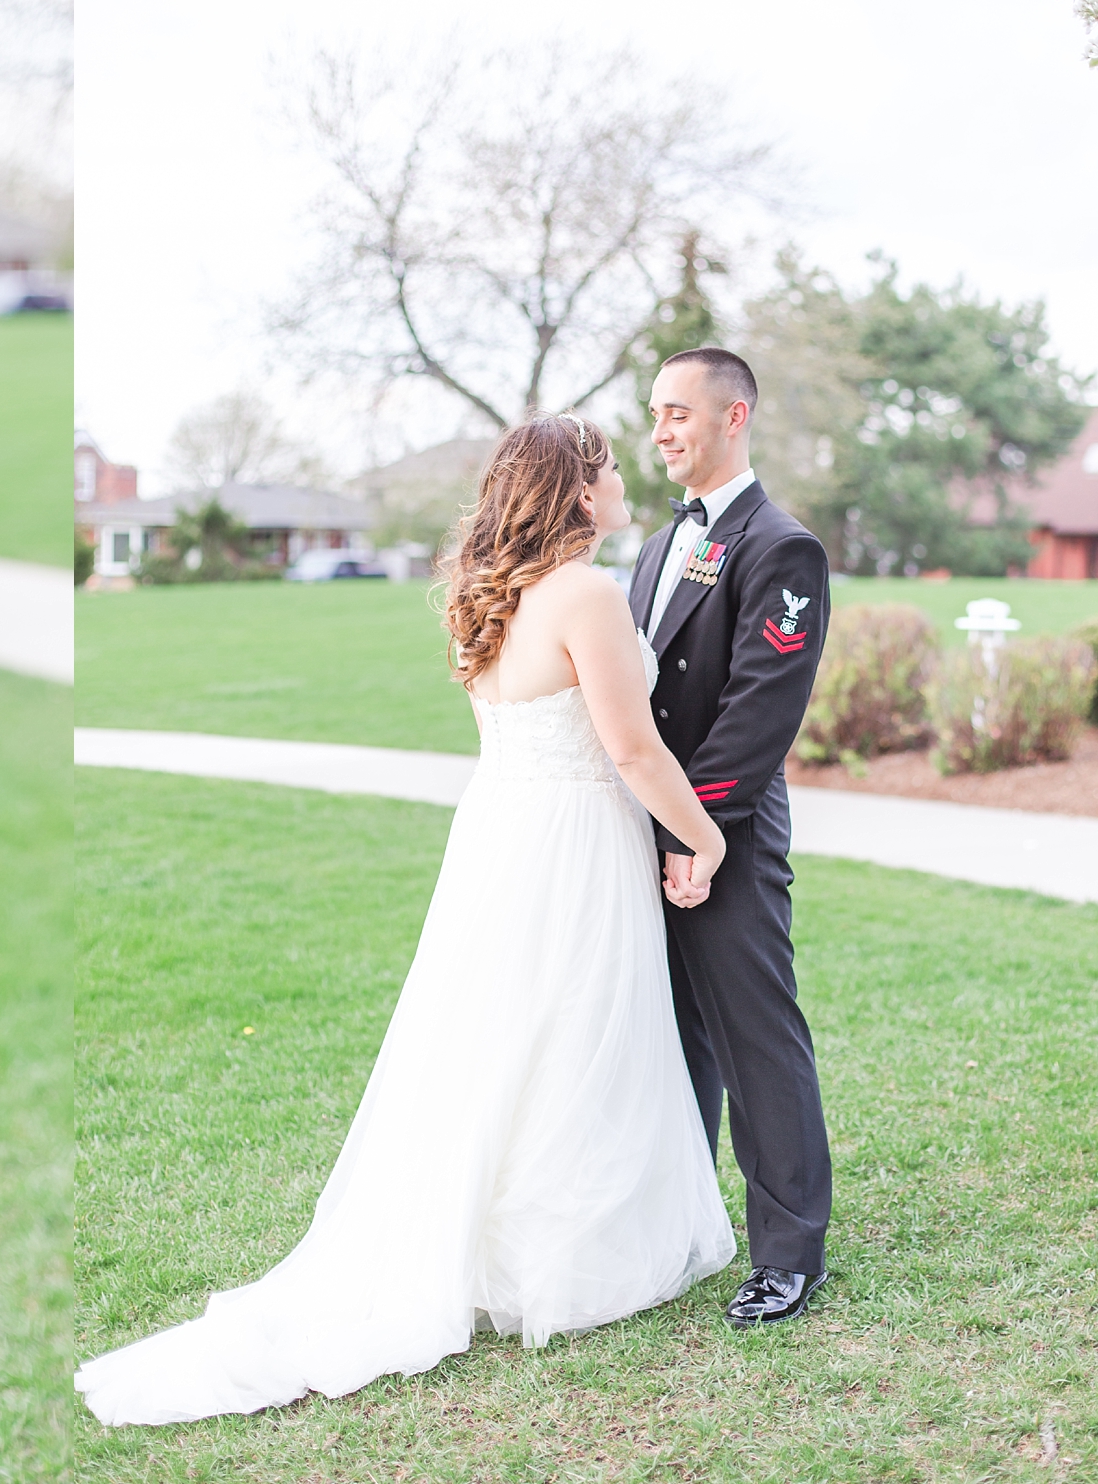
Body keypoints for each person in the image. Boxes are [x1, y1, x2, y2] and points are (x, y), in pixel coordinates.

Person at [76, 413, 736, 1426]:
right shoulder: (588, 593)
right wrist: (704, 838)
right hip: (570, 836)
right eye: (603, 467)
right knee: (573, 1032)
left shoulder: (496, 594)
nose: (619, 479)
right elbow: (632, 750)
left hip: (499, 832)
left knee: (498, 1038)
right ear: (572, 491)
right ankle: (558, 1259)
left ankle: (513, 1240)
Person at [630, 346, 833, 1327]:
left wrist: (690, 827)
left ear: (732, 416)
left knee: (754, 1036)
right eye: (654, 414)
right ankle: (680, 1226)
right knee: (669, 1038)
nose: (660, 430)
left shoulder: (778, 544)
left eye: (676, 412)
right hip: (646, 828)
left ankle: (789, 1253)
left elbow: (759, 709)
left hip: (725, 830)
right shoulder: (659, 537)